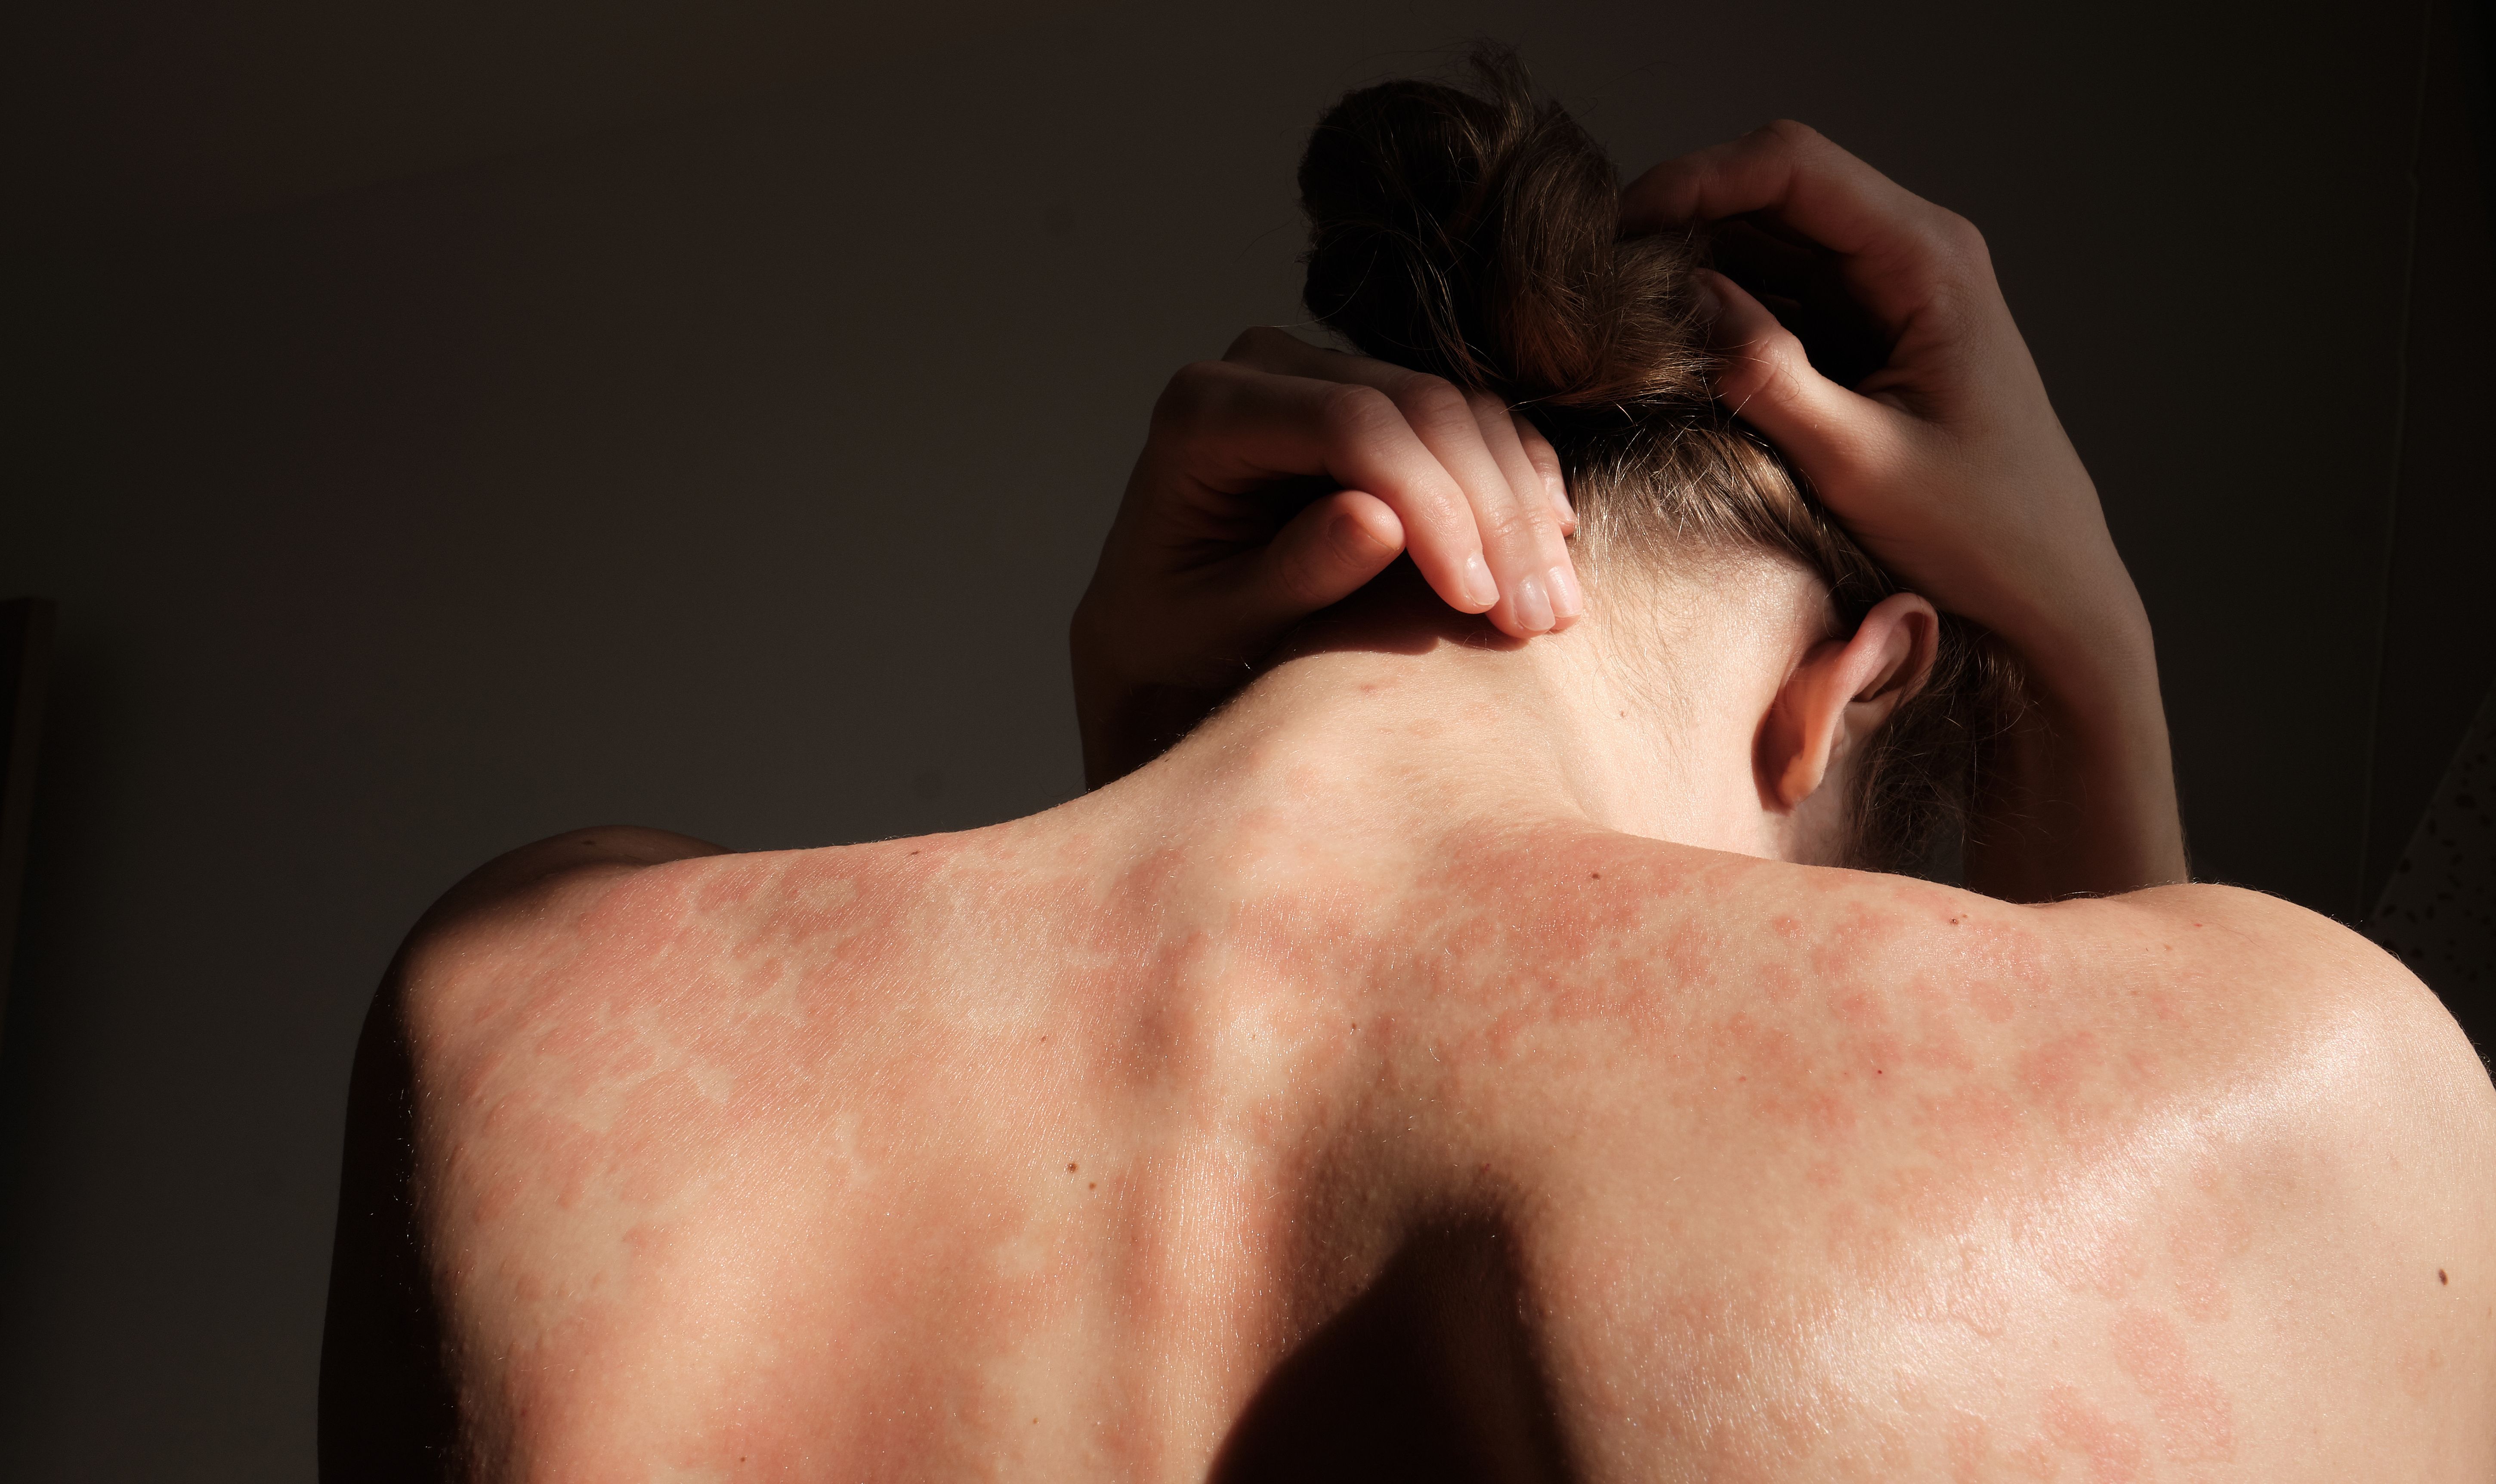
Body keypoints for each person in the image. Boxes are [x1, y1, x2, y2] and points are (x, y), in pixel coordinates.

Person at [321, 52, 2495, 1481]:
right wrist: (2089, 652)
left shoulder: (525, 1005)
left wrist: (1151, 777)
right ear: (1844, 687)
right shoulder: (2286, 1082)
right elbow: (2126, 1171)